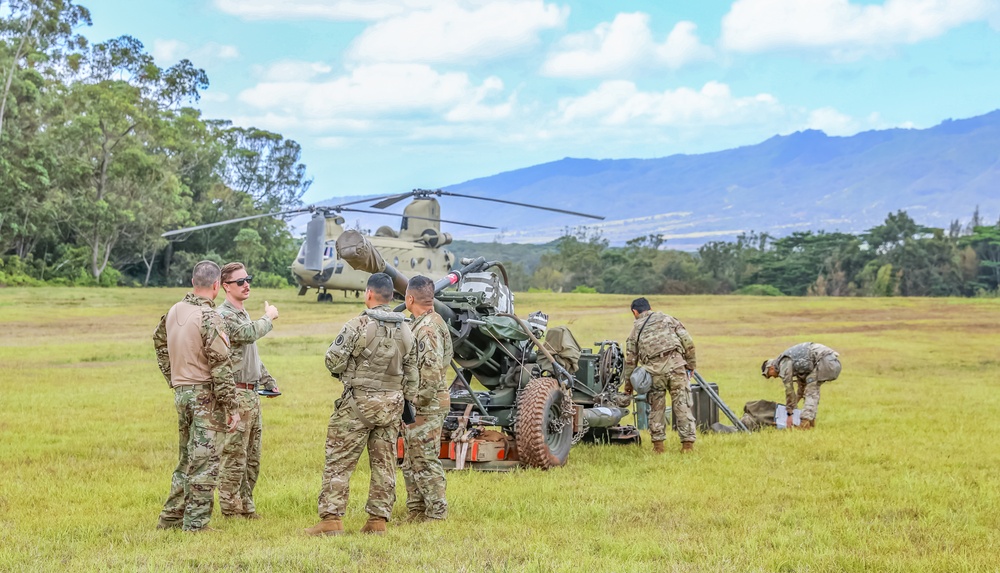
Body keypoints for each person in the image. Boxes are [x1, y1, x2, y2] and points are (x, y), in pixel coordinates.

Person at [305, 273, 418, 537]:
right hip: (391, 407)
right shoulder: (407, 330)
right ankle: (377, 521)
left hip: (357, 405)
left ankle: (331, 521)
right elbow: (413, 376)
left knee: (339, 461)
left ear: (369, 294)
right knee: (385, 464)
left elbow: (333, 362)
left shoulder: (357, 325)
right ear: (391, 296)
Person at [152, 260, 240, 532]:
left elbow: (158, 342)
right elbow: (220, 364)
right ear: (216, 285)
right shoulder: (210, 316)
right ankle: (196, 524)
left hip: (182, 393)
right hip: (204, 396)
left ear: (193, 282)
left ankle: (171, 517)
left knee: (187, 458)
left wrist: (172, 376)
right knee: (206, 461)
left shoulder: (173, 310)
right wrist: (232, 406)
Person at [216, 262, 280, 519]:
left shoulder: (242, 313)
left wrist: (267, 380)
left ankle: (247, 506)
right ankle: (231, 509)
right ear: (226, 286)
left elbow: (250, 355)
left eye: (248, 279)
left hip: (251, 393)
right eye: (240, 281)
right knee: (235, 455)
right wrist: (269, 317)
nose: (246, 285)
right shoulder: (224, 315)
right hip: (236, 394)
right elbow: (248, 334)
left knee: (252, 457)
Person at [401, 275, 453, 523]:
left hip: (427, 405)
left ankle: (436, 512)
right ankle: (417, 510)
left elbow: (431, 374)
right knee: (412, 460)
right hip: (423, 403)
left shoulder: (427, 329)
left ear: (410, 298)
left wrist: (417, 402)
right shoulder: (430, 322)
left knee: (425, 460)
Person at [621, 297, 698, 454]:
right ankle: (687, 446)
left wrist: (628, 386)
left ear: (635, 312)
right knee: (682, 405)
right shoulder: (669, 319)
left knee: (656, 408)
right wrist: (690, 365)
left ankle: (658, 448)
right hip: (676, 367)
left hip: (654, 372)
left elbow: (630, 360)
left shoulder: (636, 330)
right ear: (650, 308)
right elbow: (688, 343)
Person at [761, 342, 841, 429]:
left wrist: (789, 413)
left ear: (771, 368)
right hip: (832, 361)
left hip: (825, 361)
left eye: (770, 375)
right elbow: (801, 388)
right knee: (811, 390)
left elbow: (789, 390)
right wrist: (793, 406)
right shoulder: (791, 362)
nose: (773, 377)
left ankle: (805, 423)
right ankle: (811, 422)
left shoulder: (783, 363)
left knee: (811, 392)